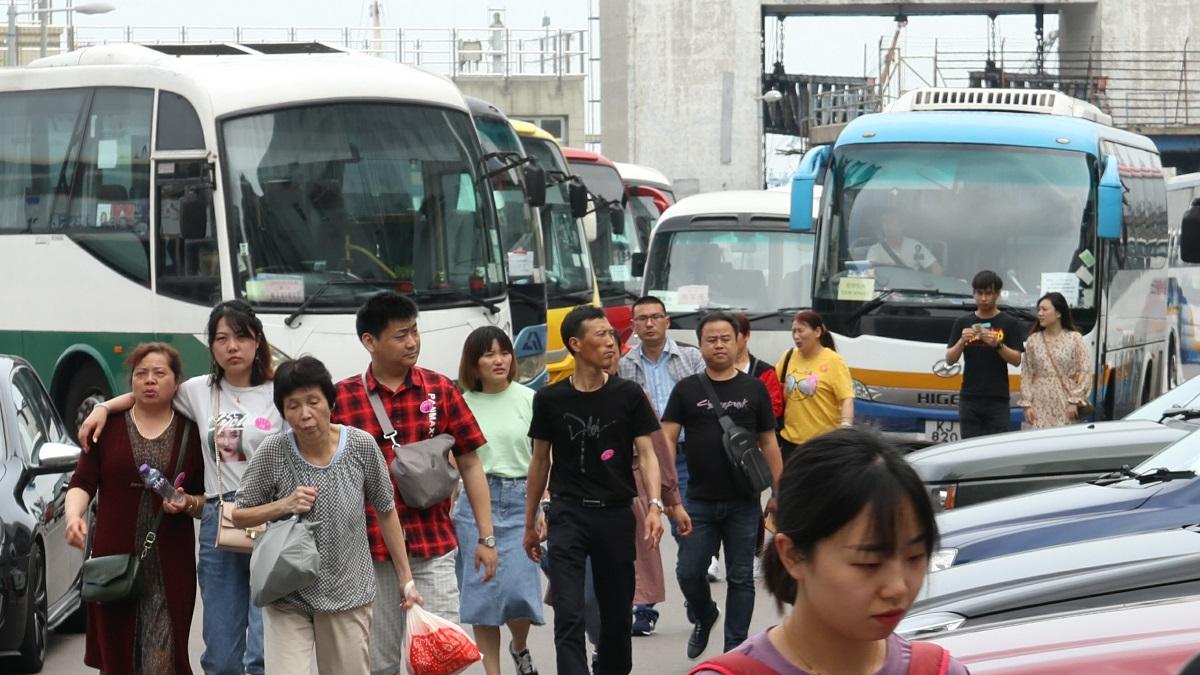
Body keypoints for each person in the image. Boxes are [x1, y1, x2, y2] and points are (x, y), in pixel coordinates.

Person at [78, 299, 281, 675]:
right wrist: (102, 408)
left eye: (241, 337)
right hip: (221, 518)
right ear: (212, 346)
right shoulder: (199, 391)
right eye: (221, 338)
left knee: (263, 651)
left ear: (257, 341)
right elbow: (147, 394)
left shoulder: (279, 391)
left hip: (272, 514)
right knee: (222, 656)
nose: (232, 347)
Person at [691, 429, 971, 675]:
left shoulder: (937, 670)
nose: (898, 588)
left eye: (915, 557)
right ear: (792, 555)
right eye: (869, 562)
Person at [331, 291, 497, 675]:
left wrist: (486, 538)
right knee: (380, 663)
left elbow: (471, 463)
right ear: (369, 341)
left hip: (433, 544)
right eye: (401, 334)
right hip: (371, 552)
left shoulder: (440, 389)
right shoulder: (343, 398)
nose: (412, 342)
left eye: (415, 331)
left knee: (443, 658)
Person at [232, 356, 423, 674]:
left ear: (330, 402)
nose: (305, 414)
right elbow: (239, 515)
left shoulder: (361, 446)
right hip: (286, 590)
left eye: (313, 402)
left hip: (347, 592)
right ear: (283, 412)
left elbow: (386, 511)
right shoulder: (273, 451)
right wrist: (284, 505)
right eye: (293, 406)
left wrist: (406, 581)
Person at [524, 304, 665, 675]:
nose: (610, 342)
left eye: (611, 335)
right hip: (568, 514)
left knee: (617, 615)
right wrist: (530, 520)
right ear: (575, 344)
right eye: (600, 335)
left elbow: (648, 454)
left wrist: (655, 505)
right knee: (569, 613)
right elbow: (539, 462)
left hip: (616, 514)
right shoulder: (550, 399)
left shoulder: (629, 394)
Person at [65, 342, 204, 674]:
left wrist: (186, 503)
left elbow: (204, 501)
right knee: (118, 656)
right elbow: (82, 482)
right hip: (114, 562)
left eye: (159, 373)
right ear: (131, 382)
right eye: (141, 374)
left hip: (170, 564)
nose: (149, 380)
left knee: (163, 656)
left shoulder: (192, 431)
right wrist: (73, 517)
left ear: (177, 382)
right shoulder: (107, 427)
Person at [662, 312, 783, 659]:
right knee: (689, 572)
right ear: (700, 345)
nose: (719, 345)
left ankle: (735, 651)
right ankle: (704, 614)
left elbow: (769, 442)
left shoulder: (754, 388)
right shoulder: (686, 389)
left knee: (741, 578)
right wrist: (669, 491)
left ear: (738, 341)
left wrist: (779, 492)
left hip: (743, 502)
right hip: (697, 500)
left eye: (725, 338)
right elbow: (667, 439)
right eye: (711, 339)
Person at [453, 327, 545, 675]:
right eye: (489, 354)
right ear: (473, 363)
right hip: (476, 504)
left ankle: (519, 646)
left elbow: (544, 457)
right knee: (483, 597)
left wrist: (543, 503)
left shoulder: (530, 398)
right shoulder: (461, 404)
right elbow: (455, 460)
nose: (499, 360)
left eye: (504, 352)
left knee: (520, 593)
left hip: (523, 499)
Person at [618, 294, 704, 632]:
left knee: (688, 533)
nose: (650, 324)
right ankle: (644, 608)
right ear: (634, 326)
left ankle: (696, 596)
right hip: (642, 460)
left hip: (686, 457)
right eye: (642, 319)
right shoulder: (624, 365)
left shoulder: (690, 358)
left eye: (656, 317)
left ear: (667, 321)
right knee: (644, 534)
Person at [946, 270, 1025, 439]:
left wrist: (998, 345)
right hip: (969, 397)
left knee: (996, 447)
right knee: (969, 446)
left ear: (998, 294)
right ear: (973, 293)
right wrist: (961, 341)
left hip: (997, 398)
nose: (983, 298)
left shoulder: (1009, 323)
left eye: (988, 293)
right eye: (979, 293)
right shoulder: (963, 322)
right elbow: (950, 359)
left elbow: (1016, 360)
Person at [776, 311, 854, 458]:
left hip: (822, 445)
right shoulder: (788, 356)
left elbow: (846, 399)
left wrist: (845, 427)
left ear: (817, 332)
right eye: (793, 331)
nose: (796, 336)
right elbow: (773, 388)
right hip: (789, 442)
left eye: (801, 331)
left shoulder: (834, 361)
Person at [1020, 292, 1091, 428]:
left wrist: (1074, 401)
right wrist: (1027, 405)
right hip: (1039, 402)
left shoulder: (1075, 338)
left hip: (1065, 401)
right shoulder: (1033, 340)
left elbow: (1085, 370)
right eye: (1039, 310)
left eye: (1044, 309)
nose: (1040, 313)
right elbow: (1026, 373)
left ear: (1058, 313)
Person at [732, 313, 784, 421]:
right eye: (725, 336)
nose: (729, 340)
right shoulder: (715, 369)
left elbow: (775, 408)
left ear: (747, 335)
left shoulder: (765, 372)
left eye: (734, 334)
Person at [865, 212, 943, 275]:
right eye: (884, 221)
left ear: (902, 226)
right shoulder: (875, 250)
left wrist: (927, 287)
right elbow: (869, 273)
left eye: (891, 221)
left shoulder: (915, 247)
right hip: (887, 288)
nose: (887, 225)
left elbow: (937, 269)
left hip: (911, 287)